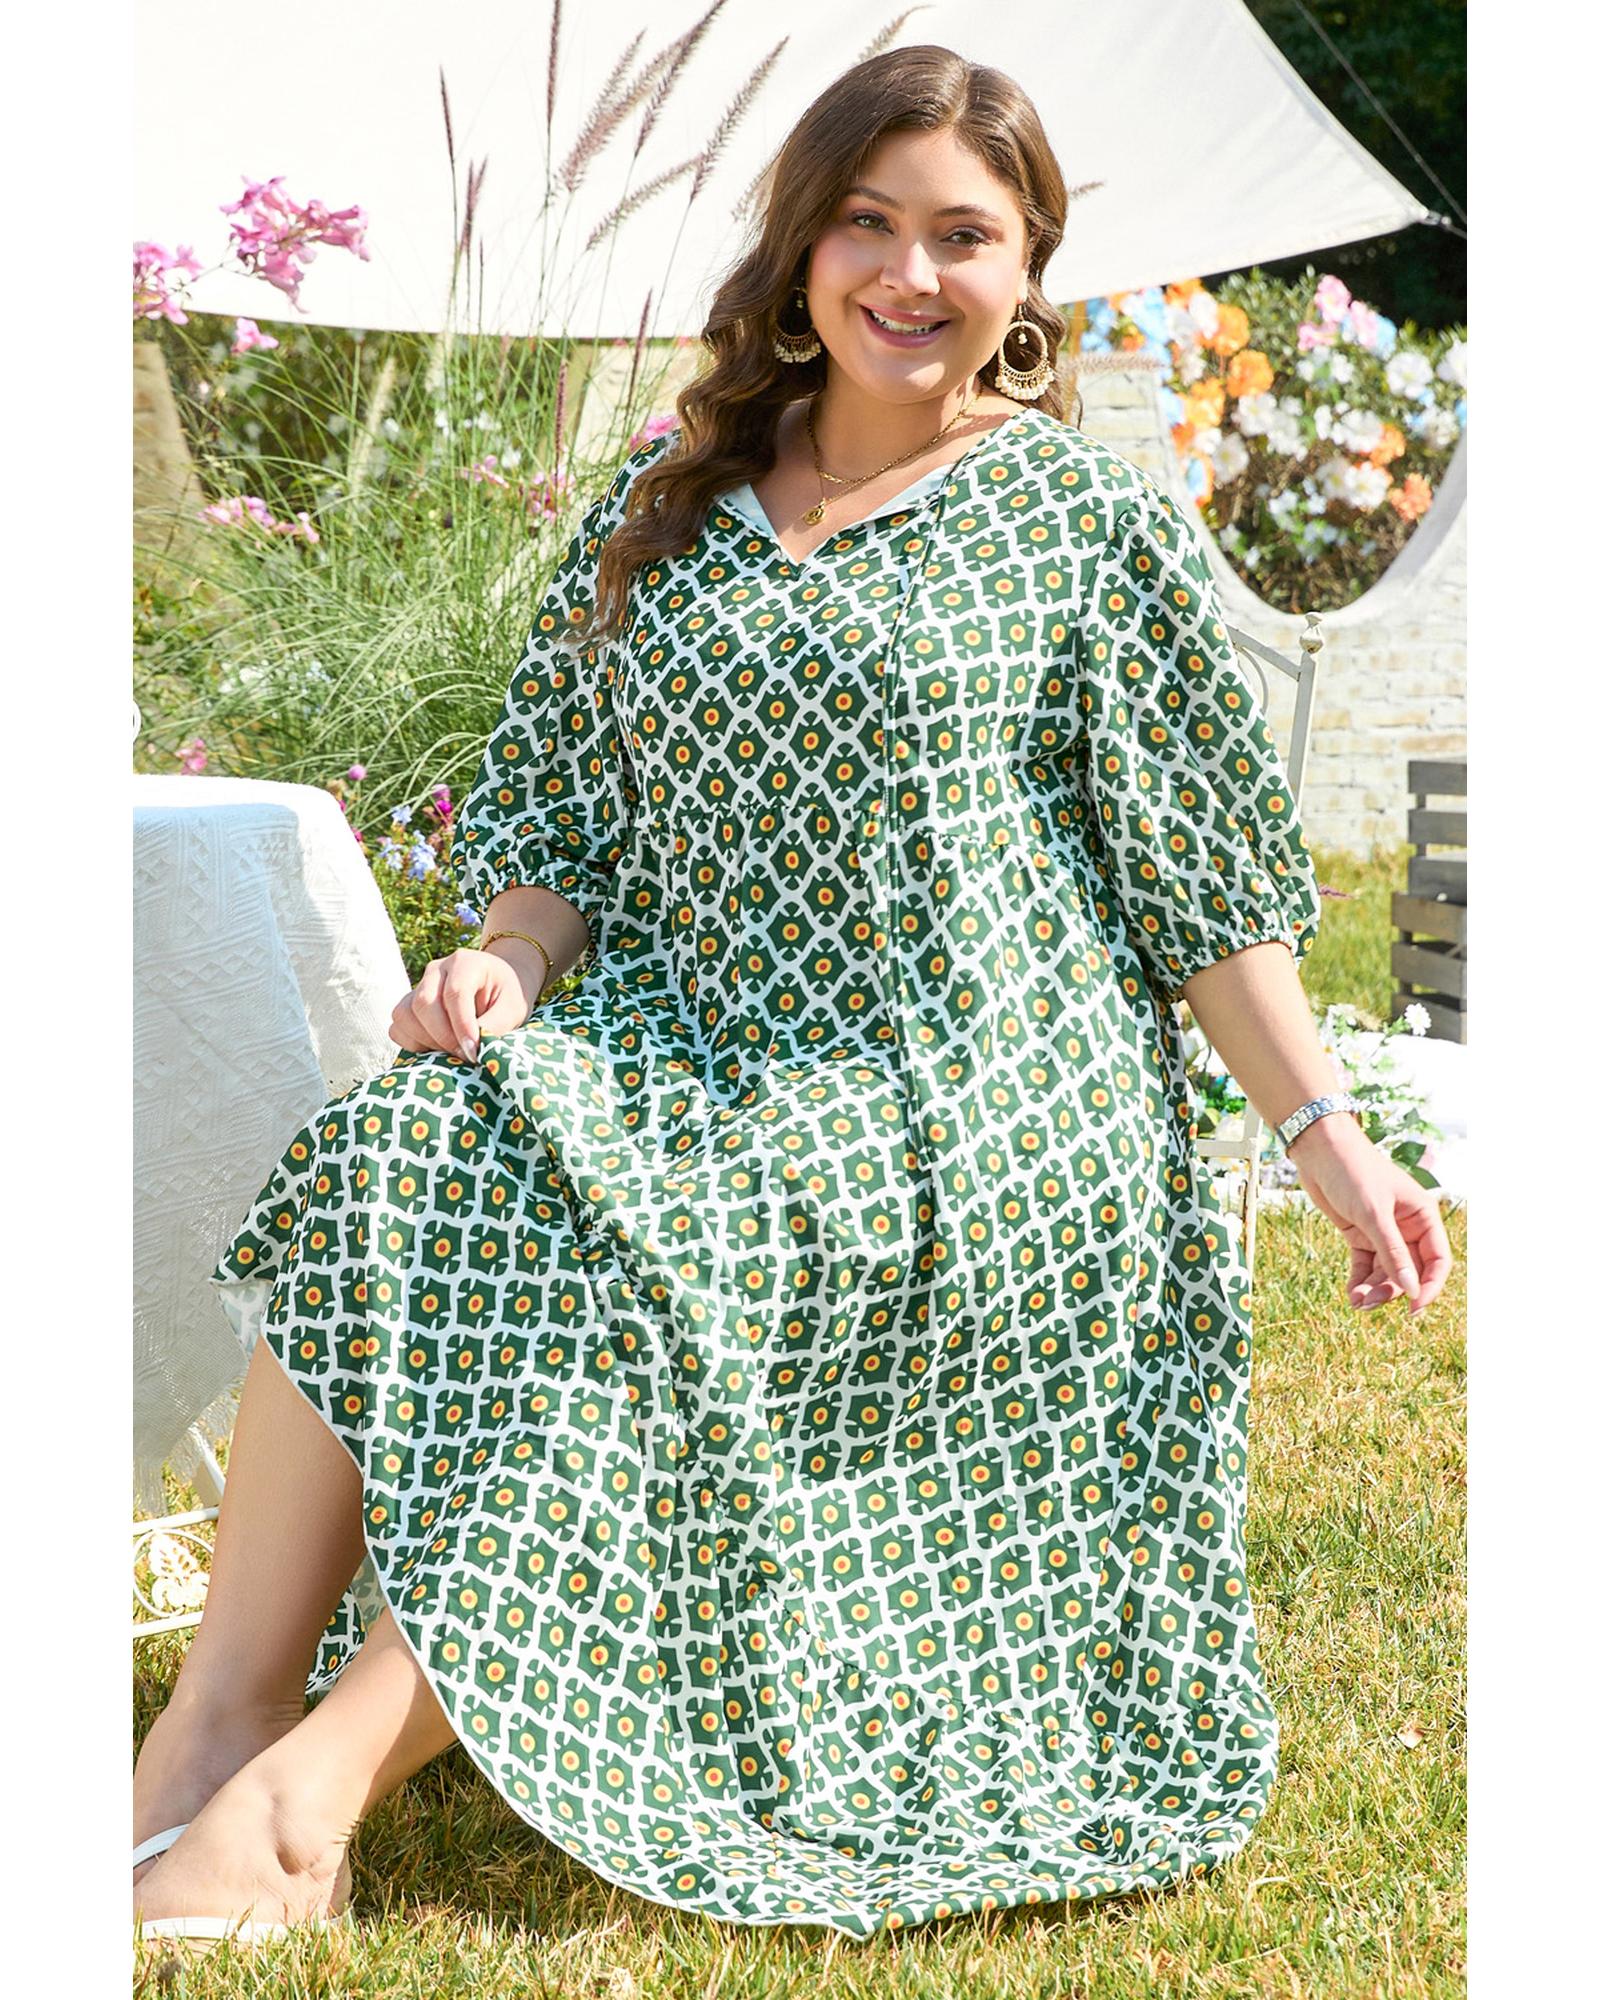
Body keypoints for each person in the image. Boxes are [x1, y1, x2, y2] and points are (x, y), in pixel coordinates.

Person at [133, 45, 1453, 1947]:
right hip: (683, 1045)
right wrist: (505, 961)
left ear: (1028, 267)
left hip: (975, 1082)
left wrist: (1325, 1133)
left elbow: (1203, 886)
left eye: (964, 236)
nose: (911, 273)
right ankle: (216, 1720)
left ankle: (305, 1805)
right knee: (394, 1152)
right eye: (868, 222)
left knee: (652, 1270)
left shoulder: (1086, 525)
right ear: (804, 244)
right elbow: (567, 824)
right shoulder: (665, 504)